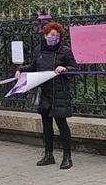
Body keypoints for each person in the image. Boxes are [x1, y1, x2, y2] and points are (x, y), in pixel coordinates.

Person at [17, 21, 78, 169]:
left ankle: (67, 157)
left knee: (62, 125)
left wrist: (65, 68)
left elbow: (75, 69)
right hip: (44, 93)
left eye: (57, 36)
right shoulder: (39, 50)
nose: (54, 38)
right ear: (45, 35)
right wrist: (21, 70)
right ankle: (48, 155)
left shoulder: (65, 51)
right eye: (51, 35)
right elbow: (34, 66)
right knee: (46, 126)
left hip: (60, 93)